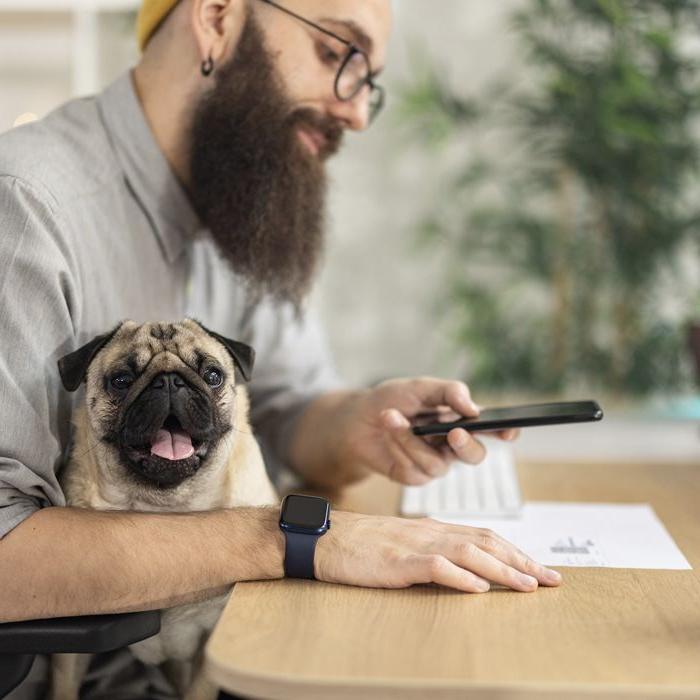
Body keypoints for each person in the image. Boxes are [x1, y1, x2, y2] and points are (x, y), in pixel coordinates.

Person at [0, 0, 562, 696]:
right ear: (216, 19)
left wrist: (363, 420)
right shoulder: (25, 207)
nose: (356, 113)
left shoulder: (240, 203)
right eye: (337, 56)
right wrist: (297, 537)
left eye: (369, 83)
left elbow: (294, 413)